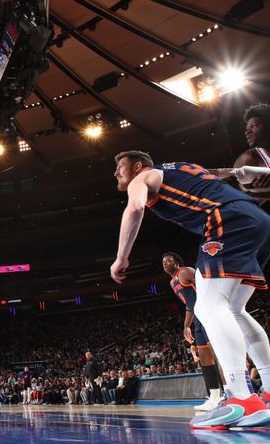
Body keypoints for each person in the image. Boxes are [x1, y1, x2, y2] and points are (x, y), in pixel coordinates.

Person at [110, 150, 270, 429]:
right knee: (234, 309)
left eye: (119, 167)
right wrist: (258, 173)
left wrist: (121, 257)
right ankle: (267, 391)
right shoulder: (183, 167)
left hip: (226, 220)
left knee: (208, 306)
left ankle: (240, 397)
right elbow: (226, 173)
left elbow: (134, 209)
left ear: (137, 166)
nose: (116, 173)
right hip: (258, 218)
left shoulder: (142, 178)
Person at [162, 251, 223, 411]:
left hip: (208, 314)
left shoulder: (185, 271)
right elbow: (190, 304)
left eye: (168, 261)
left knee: (218, 355)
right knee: (205, 359)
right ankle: (214, 397)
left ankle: (229, 393)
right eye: (163, 263)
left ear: (176, 261)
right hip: (198, 319)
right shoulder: (172, 282)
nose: (165, 264)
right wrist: (187, 325)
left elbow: (208, 286)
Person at [219, 103, 270, 202]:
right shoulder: (248, 157)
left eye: (254, 126)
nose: (247, 132)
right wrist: (253, 191)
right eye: (246, 130)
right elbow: (235, 201)